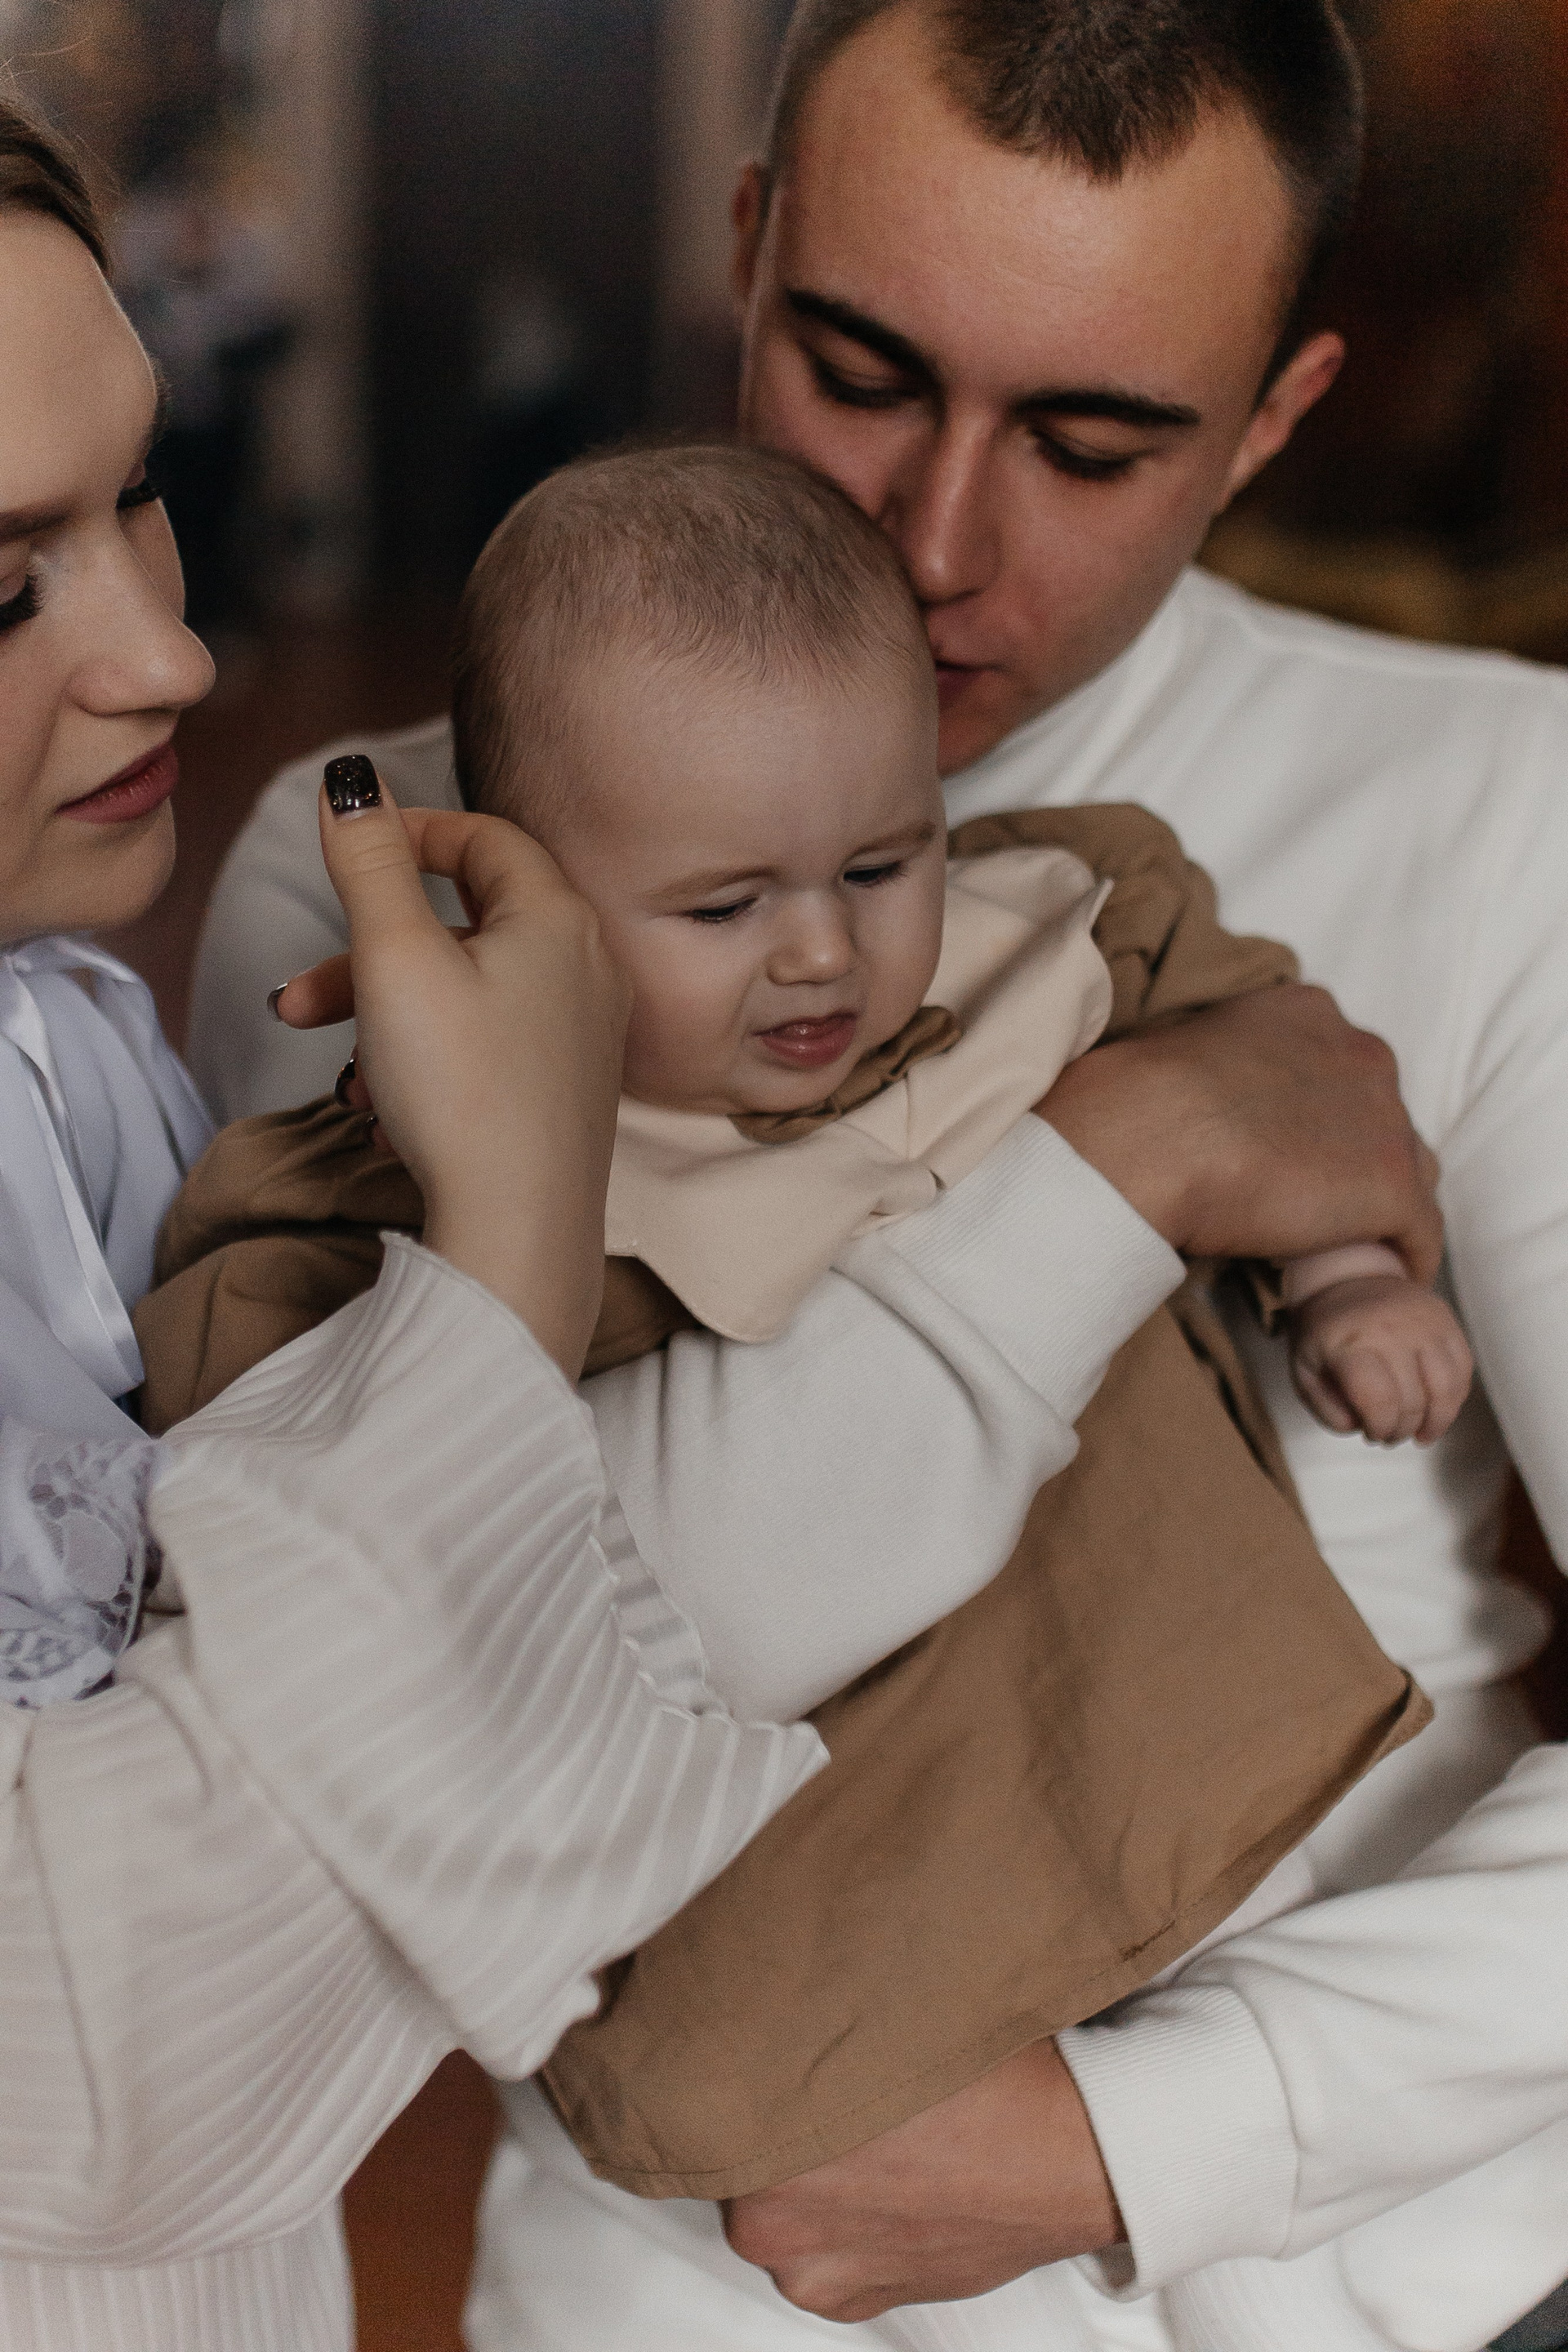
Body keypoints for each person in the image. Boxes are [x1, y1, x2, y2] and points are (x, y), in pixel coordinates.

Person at [187, 5, 1568, 2350]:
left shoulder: (1510, 815)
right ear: (746, 250)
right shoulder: (387, 880)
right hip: (692, 2290)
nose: (936, 546)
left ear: (1276, 416)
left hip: (1409, 2284)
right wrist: (1133, 1149)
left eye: (1095, 442)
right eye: (857, 371)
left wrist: (1138, 2139)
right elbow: (480, 1677)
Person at [0, 89, 1237, 2352]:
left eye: (142, 494)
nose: (171, 653)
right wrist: (504, 1241)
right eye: (1, 583)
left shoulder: (67, 1035)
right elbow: (109, 2073)